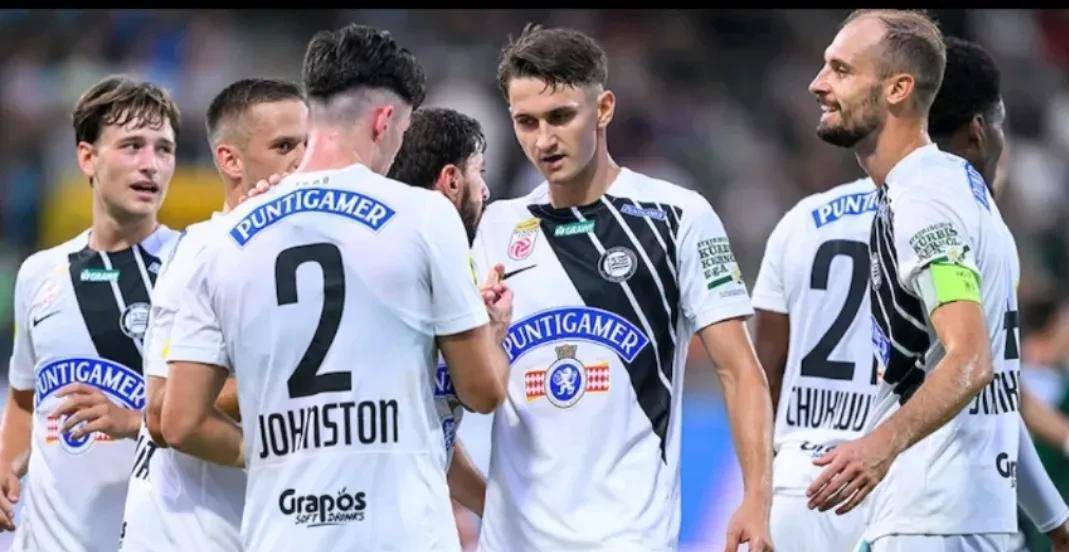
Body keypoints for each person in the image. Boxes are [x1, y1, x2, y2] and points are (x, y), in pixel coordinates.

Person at [159, 23, 509, 552]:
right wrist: (491, 332)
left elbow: (181, 420)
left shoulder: (224, 238)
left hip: (283, 533)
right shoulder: (424, 215)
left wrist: (276, 455)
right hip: (400, 535)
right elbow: (481, 391)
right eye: (403, 130)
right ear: (385, 120)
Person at [755, 34, 1069, 550]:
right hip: (912, 492)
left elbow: (764, 370)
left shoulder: (808, 219)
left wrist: (757, 487)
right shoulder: (935, 207)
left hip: (820, 480)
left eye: (841, 70)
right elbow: (973, 363)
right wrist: (879, 446)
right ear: (979, 130)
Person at [473, 24, 773, 551]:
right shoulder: (497, 227)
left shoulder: (679, 216)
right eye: (526, 122)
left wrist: (756, 497)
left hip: (628, 537)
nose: (543, 140)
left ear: (604, 108)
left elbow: (739, 370)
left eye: (561, 116)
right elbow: (465, 387)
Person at [119, 78, 308, 551]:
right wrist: (291, 430)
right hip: (190, 535)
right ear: (230, 160)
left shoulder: (302, 253)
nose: (302, 160)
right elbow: (163, 413)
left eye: (308, 144)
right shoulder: (203, 251)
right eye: (284, 146)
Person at [0, 75, 182, 550]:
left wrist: (135, 420)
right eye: (133, 146)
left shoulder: (192, 265)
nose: (151, 164)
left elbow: (233, 399)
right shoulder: (39, 272)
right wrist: (5, 465)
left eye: (164, 149)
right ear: (87, 157)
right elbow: (25, 399)